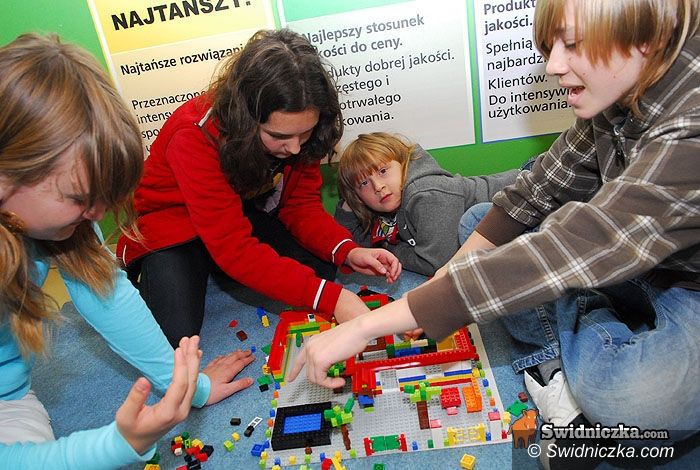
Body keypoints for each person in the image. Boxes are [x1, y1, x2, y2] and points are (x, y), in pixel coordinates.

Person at [291, 0, 700, 463]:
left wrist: (369, 325)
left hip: (685, 283)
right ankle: (559, 348)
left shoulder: (690, 125)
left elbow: (576, 245)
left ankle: (569, 326)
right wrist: (446, 277)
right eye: (550, 47)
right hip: (627, 259)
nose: (554, 65)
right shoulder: (618, 96)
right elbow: (534, 191)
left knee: (630, 400)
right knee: (479, 223)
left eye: (572, 44)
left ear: (644, 36)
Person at [0, 33, 254, 469]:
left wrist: (190, 386)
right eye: (79, 199)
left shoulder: (61, 220)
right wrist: (118, 444)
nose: (97, 214)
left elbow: (108, 293)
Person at [117, 29, 401, 347]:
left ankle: (217, 268)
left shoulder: (302, 130)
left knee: (320, 269)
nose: (295, 148)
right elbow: (234, 249)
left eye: (304, 133)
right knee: (174, 337)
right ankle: (189, 268)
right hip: (172, 224)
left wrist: (348, 250)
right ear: (246, 118)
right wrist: (333, 299)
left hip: (235, 211)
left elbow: (301, 206)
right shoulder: (193, 135)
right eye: (279, 136)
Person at [334, 132, 518, 276]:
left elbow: (435, 263)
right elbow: (351, 244)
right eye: (364, 183)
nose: (378, 186)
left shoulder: (426, 193)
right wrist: (351, 200)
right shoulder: (387, 200)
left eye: (383, 171)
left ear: (403, 163)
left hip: (524, 196)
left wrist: (387, 249)